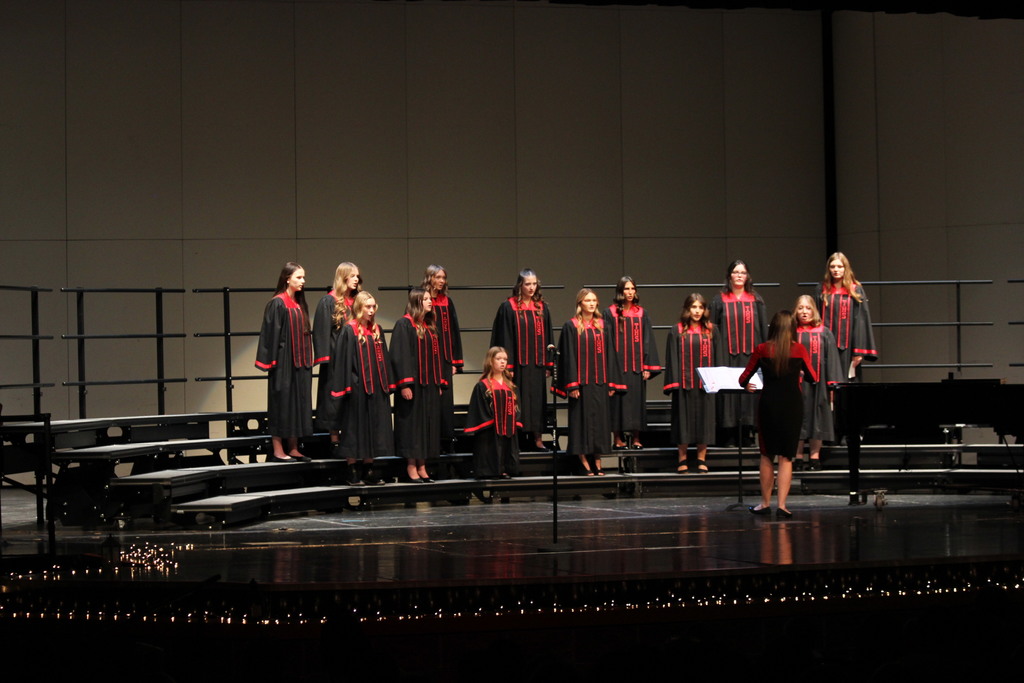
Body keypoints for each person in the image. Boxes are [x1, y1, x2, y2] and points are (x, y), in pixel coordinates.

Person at [739, 310, 817, 517]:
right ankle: (782, 506)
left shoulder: (762, 349)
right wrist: (799, 371)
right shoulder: (799, 349)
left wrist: (747, 386)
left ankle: (765, 504)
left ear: (772, 327)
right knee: (786, 456)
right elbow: (813, 377)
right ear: (792, 328)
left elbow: (743, 378)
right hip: (792, 405)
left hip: (769, 405)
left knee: (767, 455)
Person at [554, 289, 624, 476]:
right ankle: (583, 460)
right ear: (580, 303)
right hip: (581, 385)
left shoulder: (603, 326)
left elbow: (610, 355)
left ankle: (597, 460)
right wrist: (572, 384)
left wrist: (611, 383)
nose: (592, 304)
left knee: (600, 423)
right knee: (581, 423)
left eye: (594, 300)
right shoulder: (571, 326)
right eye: (587, 300)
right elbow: (568, 357)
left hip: (600, 383)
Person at [328, 291, 392, 485]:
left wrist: (386, 384)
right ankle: (352, 469)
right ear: (359, 308)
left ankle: (369, 469)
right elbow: (343, 361)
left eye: (373, 307)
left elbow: (384, 359)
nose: (371, 310)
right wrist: (348, 386)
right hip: (356, 388)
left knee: (373, 427)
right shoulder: (349, 330)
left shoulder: (377, 330)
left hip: (376, 388)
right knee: (355, 429)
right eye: (368, 307)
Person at [255, 262, 314, 462]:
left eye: (303, 277)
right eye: (299, 277)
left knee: (297, 404)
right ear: (287, 279)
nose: (303, 281)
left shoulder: (298, 303)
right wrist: (272, 362)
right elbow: (270, 335)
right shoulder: (277, 303)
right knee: (281, 404)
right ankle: (278, 449)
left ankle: (294, 447)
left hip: (300, 364)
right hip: (283, 363)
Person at [490, 269, 553, 451]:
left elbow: (548, 336)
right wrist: (507, 366)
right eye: (527, 284)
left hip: (537, 365)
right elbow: (505, 337)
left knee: (537, 402)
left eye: (534, 284)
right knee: (516, 401)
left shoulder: (541, 308)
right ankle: (516, 438)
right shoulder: (508, 307)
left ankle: (537, 438)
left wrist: (548, 364)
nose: (531, 287)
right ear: (520, 285)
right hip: (517, 366)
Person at [391, 288, 446, 482]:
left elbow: (437, 357)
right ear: (417, 302)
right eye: (426, 299)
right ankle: (411, 465)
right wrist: (404, 384)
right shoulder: (404, 324)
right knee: (412, 426)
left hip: (428, 386)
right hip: (413, 387)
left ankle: (422, 464)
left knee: (426, 425)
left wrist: (438, 382)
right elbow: (400, 356)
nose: (430, 302)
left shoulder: (429, 326)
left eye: (430, 299)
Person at [710, 259, 767, 445]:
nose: (739, 275)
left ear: (748, 276)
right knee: (729, 392)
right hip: (726, 354)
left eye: (743, 272)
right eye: (736, 272)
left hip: (751, 355)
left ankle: (747, 432)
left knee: (750, 390)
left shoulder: (756, 300)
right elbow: (713, 329)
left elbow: (762, 329)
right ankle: (729, 432)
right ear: (729, 276)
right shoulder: (719, 300)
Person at [604, 276, 660, 449]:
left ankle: (636, 438)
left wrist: (647, 366)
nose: (630, 292)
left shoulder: (641, 313)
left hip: (636, 367)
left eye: (632, 289)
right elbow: (607, 341)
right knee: (617, 404)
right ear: (620, 291)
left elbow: (648, 340)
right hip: (617, 367)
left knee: (637, 402)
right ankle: (617, 438)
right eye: (626, 289)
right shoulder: (610, 313)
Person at [663, 293, 717, 473]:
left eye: (701, 307)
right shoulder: (677, 330)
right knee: (683, 422)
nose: (697, 311)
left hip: (705, 385)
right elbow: (672, 358)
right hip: (684, 384)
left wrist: (716, 381)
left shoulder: (711, 330)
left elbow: (718, 356)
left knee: (704, 421)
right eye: (694, 307)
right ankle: (682, 458)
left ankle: (701, 459)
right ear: (687, 309)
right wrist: (674, 384)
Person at [312, 262, 361, 454]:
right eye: (352, 275)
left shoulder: (357, 301)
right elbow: (321, 331)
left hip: (355, 359)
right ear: (343, 277)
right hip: (336, 360)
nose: (356, 279)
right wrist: (327, 358)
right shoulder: (329, 301)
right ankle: (334, 440)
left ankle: (351, 438)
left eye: (357, 276)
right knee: (334, 399)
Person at [793, 295, 842, 471]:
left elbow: (832, 360)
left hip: (819, 385)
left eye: (808, 308)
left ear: (814, 310)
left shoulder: (824, 332)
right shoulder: (791, 332)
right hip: (797, 385)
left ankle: (815, 457)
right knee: (797, 418)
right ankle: (798, 457)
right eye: (800, 308)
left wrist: (832, 385)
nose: (804, 312)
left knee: (818, 418)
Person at [420, 265, 463, 451]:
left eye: (443, 277)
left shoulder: (447, 301)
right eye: (438, 277)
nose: (442, 281)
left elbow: (453, 331)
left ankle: (446, 440)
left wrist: (455, 361)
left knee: (445, 402)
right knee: (430, 401)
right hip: (427, 360)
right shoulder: (420, 299)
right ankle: (429, 441)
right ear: (430, 278)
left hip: (444, 359)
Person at [819, 252, 878, 381]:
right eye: (832, 266)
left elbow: (861, 321)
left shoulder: (855, 290)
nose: (836, 270)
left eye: (840, 266)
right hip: (825, 345)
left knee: (847, 380)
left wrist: (858, 351)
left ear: (846, 268)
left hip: (848, 346)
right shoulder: (821, 290)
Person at [465, 347, 521, 479]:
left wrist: (511, 420)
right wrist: (495, 420)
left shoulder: (511, 386)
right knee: (490, 445)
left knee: (506, 446)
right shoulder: (483, 386)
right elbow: (479, 409)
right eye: (499, 359)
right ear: (490, 361)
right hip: (490, 429)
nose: (502, 362)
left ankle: (505, 469)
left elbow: (517, 407)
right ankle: (490, 471)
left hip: (507, 429)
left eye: (505, 359)